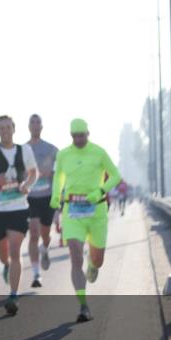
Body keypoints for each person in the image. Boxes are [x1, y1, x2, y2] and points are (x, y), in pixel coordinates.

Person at [49, 118, 121, 323]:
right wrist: (56, 195)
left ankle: (93, 264)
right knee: (75, 256)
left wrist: (100, 190)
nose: (78, 139)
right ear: (71, 136)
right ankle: (83, 305)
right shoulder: (63, 155)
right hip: (73, 213)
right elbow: (58, 178)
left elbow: (116, 176)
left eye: (81, 135)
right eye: (74, 136)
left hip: (96, 212)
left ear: (88, 134)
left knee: (97, 260)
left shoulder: (99, 153)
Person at [0, 115, 38, 316]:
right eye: (0, 128)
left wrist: (26, 185)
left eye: (7, 127)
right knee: (4, 254)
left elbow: (33, 172)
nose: (5, 131)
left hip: (18, 208)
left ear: (14, 128)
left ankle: (13, 295)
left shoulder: (24, 150)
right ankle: (5, 266)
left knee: (14, 250)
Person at [25, 114, 58, 287]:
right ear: (28, 127)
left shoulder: (52, 149)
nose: (36, 125)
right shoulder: (22, 149)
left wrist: (50, 173)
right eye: (32, 122)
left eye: (38, 122)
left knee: (45, 234)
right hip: (30, 197)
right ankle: (36, 274)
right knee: (34, 233)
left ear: (42, 127)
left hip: (47, 196)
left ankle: (45, 248)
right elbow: (16, 172)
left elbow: (61, 172)